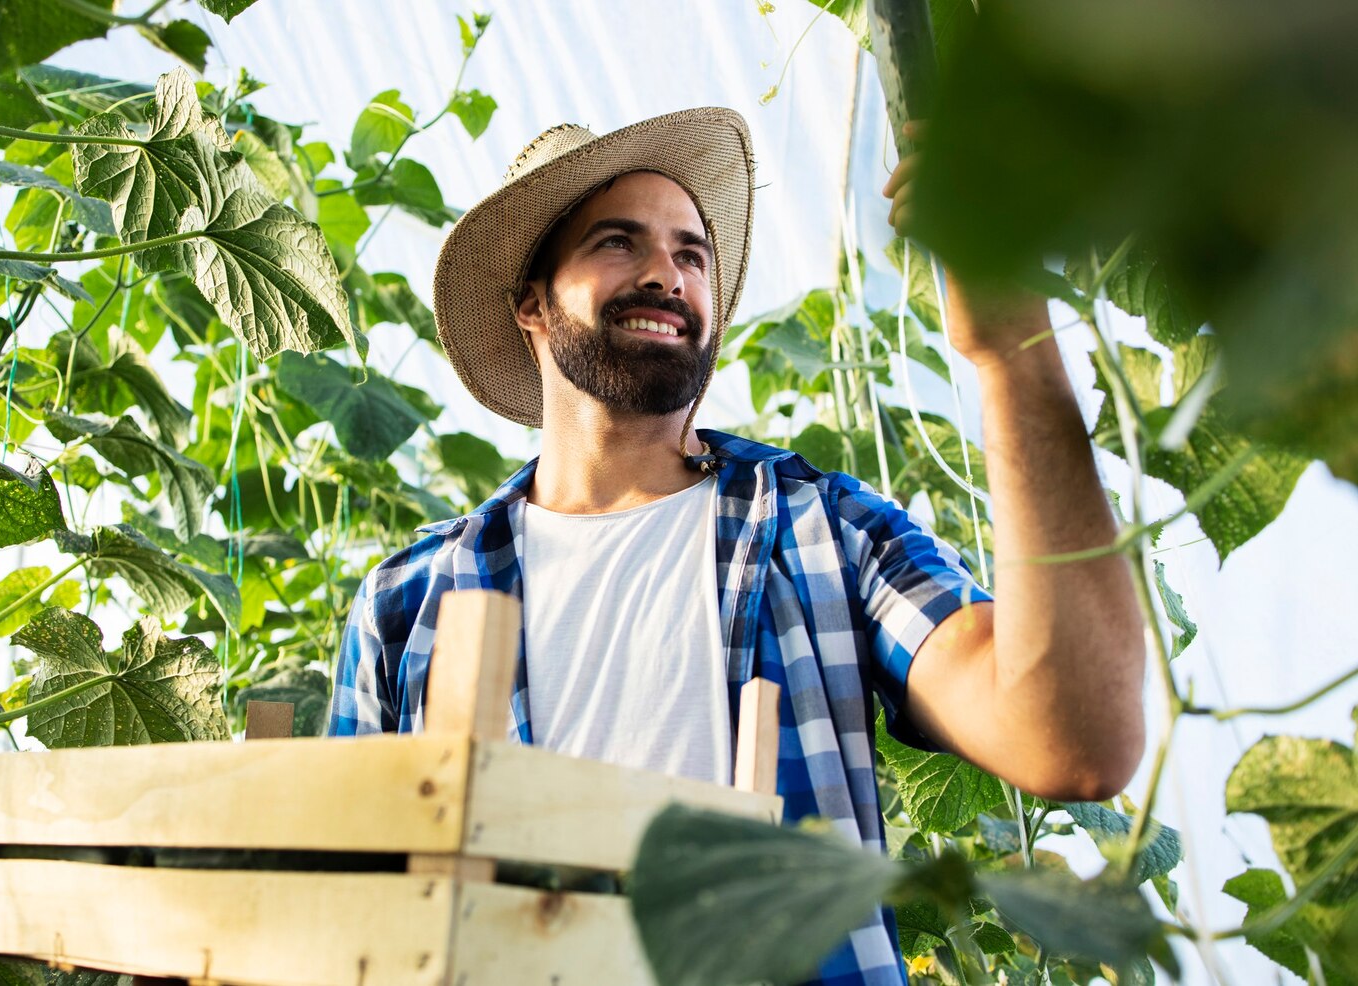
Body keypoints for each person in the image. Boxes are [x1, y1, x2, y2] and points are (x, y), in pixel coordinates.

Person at [328, 109, 1144, 985]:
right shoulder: (408, 604)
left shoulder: (822, 529)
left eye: (691, 254)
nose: (665, 275)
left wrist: (1010, 349)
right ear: (531, 302)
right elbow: (342, 916)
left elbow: (1074, 742)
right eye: (617, 242)